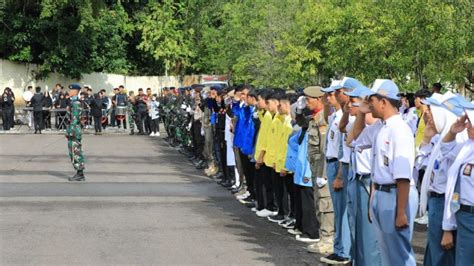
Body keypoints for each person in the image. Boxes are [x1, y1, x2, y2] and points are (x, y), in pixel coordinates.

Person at [351, 79, 418, 266]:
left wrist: (401, 212)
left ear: (383, 102)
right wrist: (361, 113)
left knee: (400, 254)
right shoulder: (381, 127)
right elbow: (356, 138)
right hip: (382, 192)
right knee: (386, 252)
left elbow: (403, 176)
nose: (368, 104)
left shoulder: (400, 130)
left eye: (371, 100)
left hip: (397, 194)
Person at [417, 92, 464, 266]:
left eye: (430, 109)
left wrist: (447, 228)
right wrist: (427, 139)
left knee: (443, 258)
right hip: (435, 203)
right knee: (434, 255)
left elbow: (455, 189)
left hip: (445, 204)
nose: (426, 113)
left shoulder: (457, 142)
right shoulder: (439, 139)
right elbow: (420, 164)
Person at [442, 98, 474, 266]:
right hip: (465, 217)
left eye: (470, 121)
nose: (467, 125)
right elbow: (446, 150)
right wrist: (453, 131)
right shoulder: (468, 147)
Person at [66, 84, 85, 181]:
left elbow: (75, 118)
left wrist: (70, 131)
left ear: (75, 91)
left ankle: (80, 173)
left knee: (75, 151)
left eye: (70, 90)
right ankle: (79, 172)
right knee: (74, 151)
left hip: (74, 131)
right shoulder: (74, 102)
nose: (69, 92)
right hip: (74, 130)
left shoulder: (75, 103)